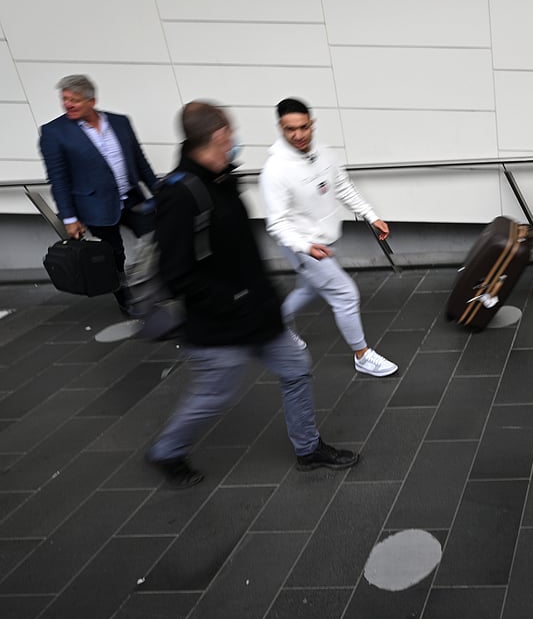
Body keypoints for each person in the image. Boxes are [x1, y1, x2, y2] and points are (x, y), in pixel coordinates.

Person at [145, 101, 358, 489]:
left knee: (296, 369)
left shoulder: (221, 179)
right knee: (213, 396)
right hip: (220, 325)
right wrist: (235, 300)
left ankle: (308, 450)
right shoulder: (181, 194)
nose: (235, 139)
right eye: (230, 132)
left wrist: (260, 296)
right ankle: (167, 450)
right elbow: (175, 274)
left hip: (258, 313)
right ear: (217, 136)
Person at [259, 98, 398, 377]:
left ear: (312, 124)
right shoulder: (275, 171)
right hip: (303, 244)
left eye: (303, 127)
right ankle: (362, 355)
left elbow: (343, 188)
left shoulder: (325, 154)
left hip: (325, 240)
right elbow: (277, 223)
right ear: (280, 128)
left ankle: (273, 326)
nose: (297, 135)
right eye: (289, 130)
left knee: (308, 289)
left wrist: (372, 216)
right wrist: (305, 247)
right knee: (345, 294)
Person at [38, 74, 159, 315]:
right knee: (114, 254)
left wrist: (158, 190)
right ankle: (126, 298)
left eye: (75, 99)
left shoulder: (120, 122)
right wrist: (69, 218)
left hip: (131, 197)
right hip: (95, 205)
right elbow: (58, 179)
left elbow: (139, 161)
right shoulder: (54, 132)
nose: (68, 104)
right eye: (65, 99)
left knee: (158, 236)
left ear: (92, 101)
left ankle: (152, 284)